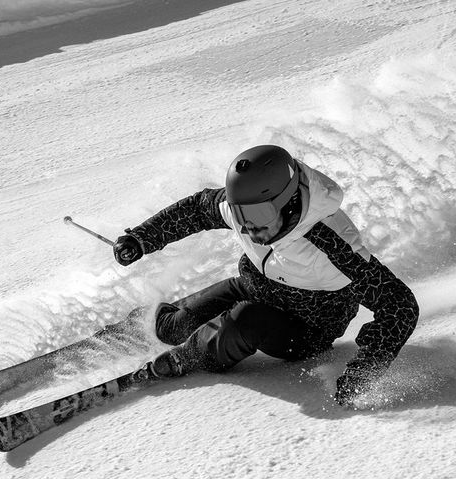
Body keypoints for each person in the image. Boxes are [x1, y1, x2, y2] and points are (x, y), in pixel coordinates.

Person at [113, 145, 419, 406]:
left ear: (288, 202)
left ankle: (188, 357)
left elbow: (399, 306)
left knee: (246, 319)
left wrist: (363, 371)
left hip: (304, 329)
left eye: (259, 216)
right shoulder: (248, 210)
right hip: (255, 287)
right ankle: (129, 332)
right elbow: (197, 209)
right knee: (173, 326)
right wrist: (142, 238)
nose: (249, 228)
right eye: (241, 215)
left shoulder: (333, 245)